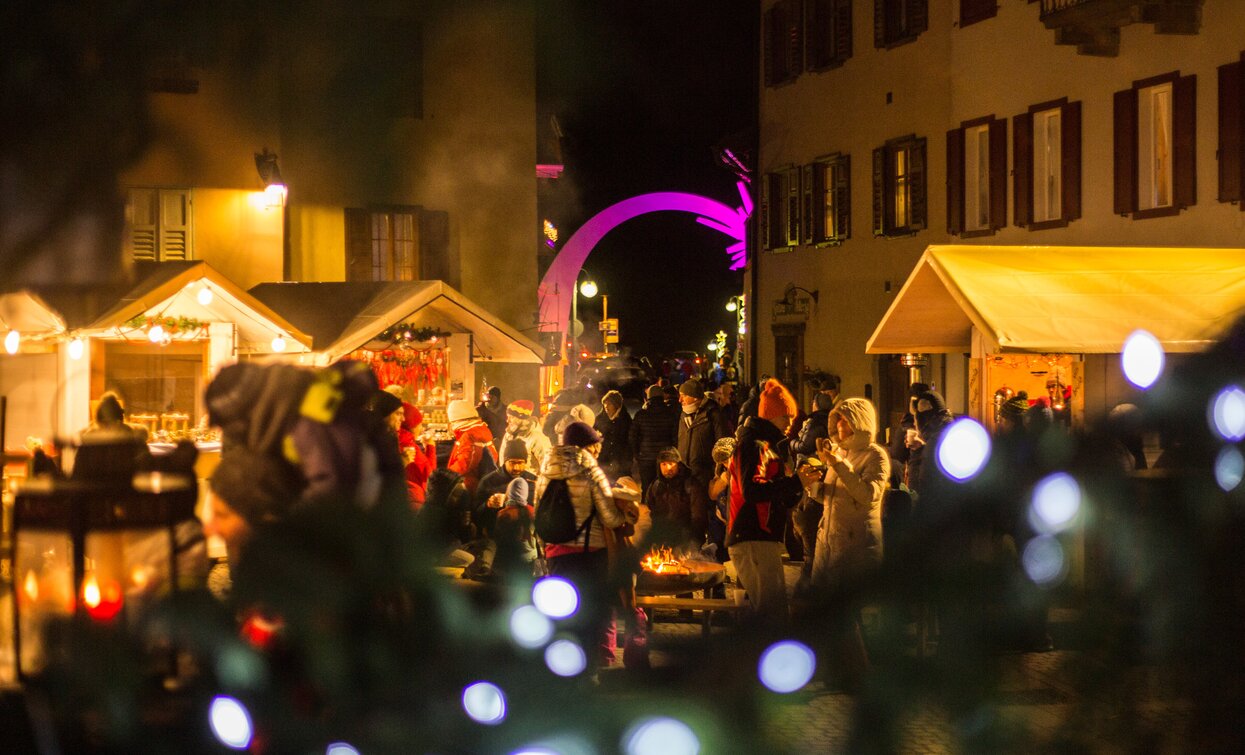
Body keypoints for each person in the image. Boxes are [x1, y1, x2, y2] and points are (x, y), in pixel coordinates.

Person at [804, 397, 890, 689]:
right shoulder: (839, 454)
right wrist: (812, 485)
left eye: (845, 420)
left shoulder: (875, 456)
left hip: (855, 544)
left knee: (843, 613)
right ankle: (834, 669)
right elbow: (832, 497)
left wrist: (838, 465)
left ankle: (856, 674)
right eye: (837, 420)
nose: (840, 426)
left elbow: (867, 495)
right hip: (829, 541)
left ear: (860, 423)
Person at [534, 421, 627, 670]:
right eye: (595, 445)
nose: (597, 451)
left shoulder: (544, 470)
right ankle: (587, 670)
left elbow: (538, 514)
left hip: (555, 553)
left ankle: (559, 667)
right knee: (588, 614)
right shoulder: (591, 471)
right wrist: (624, 517)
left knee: (561, 614)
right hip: (589, 554)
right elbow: (610, 517)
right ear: (586, 446)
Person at [726, 378, 804, 624]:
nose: (791, 424)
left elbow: (774, 493)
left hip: (761, 535)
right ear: (771, 415)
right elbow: (752, 490)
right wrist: (794, 482)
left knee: (770, 612)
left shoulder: (768, 444)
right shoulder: (755, 444)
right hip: (752, 535)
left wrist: (797, 486)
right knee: (773, 615)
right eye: (786, 417)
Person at [675, 378, 730, 543]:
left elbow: (723, 444)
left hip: (705, 474)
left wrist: (718, 472)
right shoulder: (684, 414)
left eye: (684, 395)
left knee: (706, 514)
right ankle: (692, 545)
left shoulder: (713, 414)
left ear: (694, 397)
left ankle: (709, 546)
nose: (680, 400)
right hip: (687, 473)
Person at [641, 447, 708, 547]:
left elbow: (698, 518)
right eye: (664, 464)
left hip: (685, 542)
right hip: (662, 541)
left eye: (672, 463)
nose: (668, 468)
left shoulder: (691, 484)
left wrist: (691, 542)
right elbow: (648, 514)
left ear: (679, 464)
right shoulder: (655, 486)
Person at [473, 438, 537, 540]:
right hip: (496, 539)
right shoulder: (489, 481)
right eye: (512, 462)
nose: (516, 467)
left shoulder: (533, 481)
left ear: (526, 462)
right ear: (505, 461)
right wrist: (488, 504)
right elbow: (476, 514)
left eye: (520, 462)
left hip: (525, 540)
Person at [629, 384, 680, 491]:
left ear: (648, 398)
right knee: (665, 488)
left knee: (647, 488)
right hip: (665, 459)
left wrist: (637, 454)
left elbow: (632, 436)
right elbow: (675, 436)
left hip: (646, 458)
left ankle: (647, 507)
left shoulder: (641, 414)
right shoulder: (670, 414)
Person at [446, 398, 498, 494]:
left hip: (469, 485)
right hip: (481, 481)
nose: (452, 425)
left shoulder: (469, 435)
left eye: (453, 422)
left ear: (459, 420)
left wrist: (447, 476)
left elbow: (464, 464)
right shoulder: (482, 429)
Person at [393, 401, 436, 510]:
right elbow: (429, 477)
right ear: (410, 425)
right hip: (414, 501)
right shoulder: (407, 446)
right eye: (419, 424)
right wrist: (430, 447)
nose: (421, 428)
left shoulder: (400, 441)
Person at [493, 476, 538, 575]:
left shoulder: (504, 514)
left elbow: (498, 539)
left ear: (509, 493)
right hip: (532, 559)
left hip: (512, 561)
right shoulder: (533, 511)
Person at [500, 399, 552, 472]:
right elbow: (503, 459)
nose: (508, 420)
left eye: (512, 417)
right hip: (509, 480)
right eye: (507, 416)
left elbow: (547, 464)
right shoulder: (508, 435)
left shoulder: (537, 437)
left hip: (529, 481)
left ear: (521, 418)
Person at [594, 390, 633, 482]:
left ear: (616, 405)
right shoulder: (599, 419)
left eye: (609, 404)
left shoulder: (626, 420)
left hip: (621, 461)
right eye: (605, 404)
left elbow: (629, 441)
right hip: (603, 459)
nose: (606, 407)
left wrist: (626, 460)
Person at [791, 391, 834, 461]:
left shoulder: (815, 422)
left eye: (814, 402)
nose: (812, 404)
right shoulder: (832, 419)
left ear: (817, 404)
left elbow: (805, 447)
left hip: (814, 462)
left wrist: (792, 442)